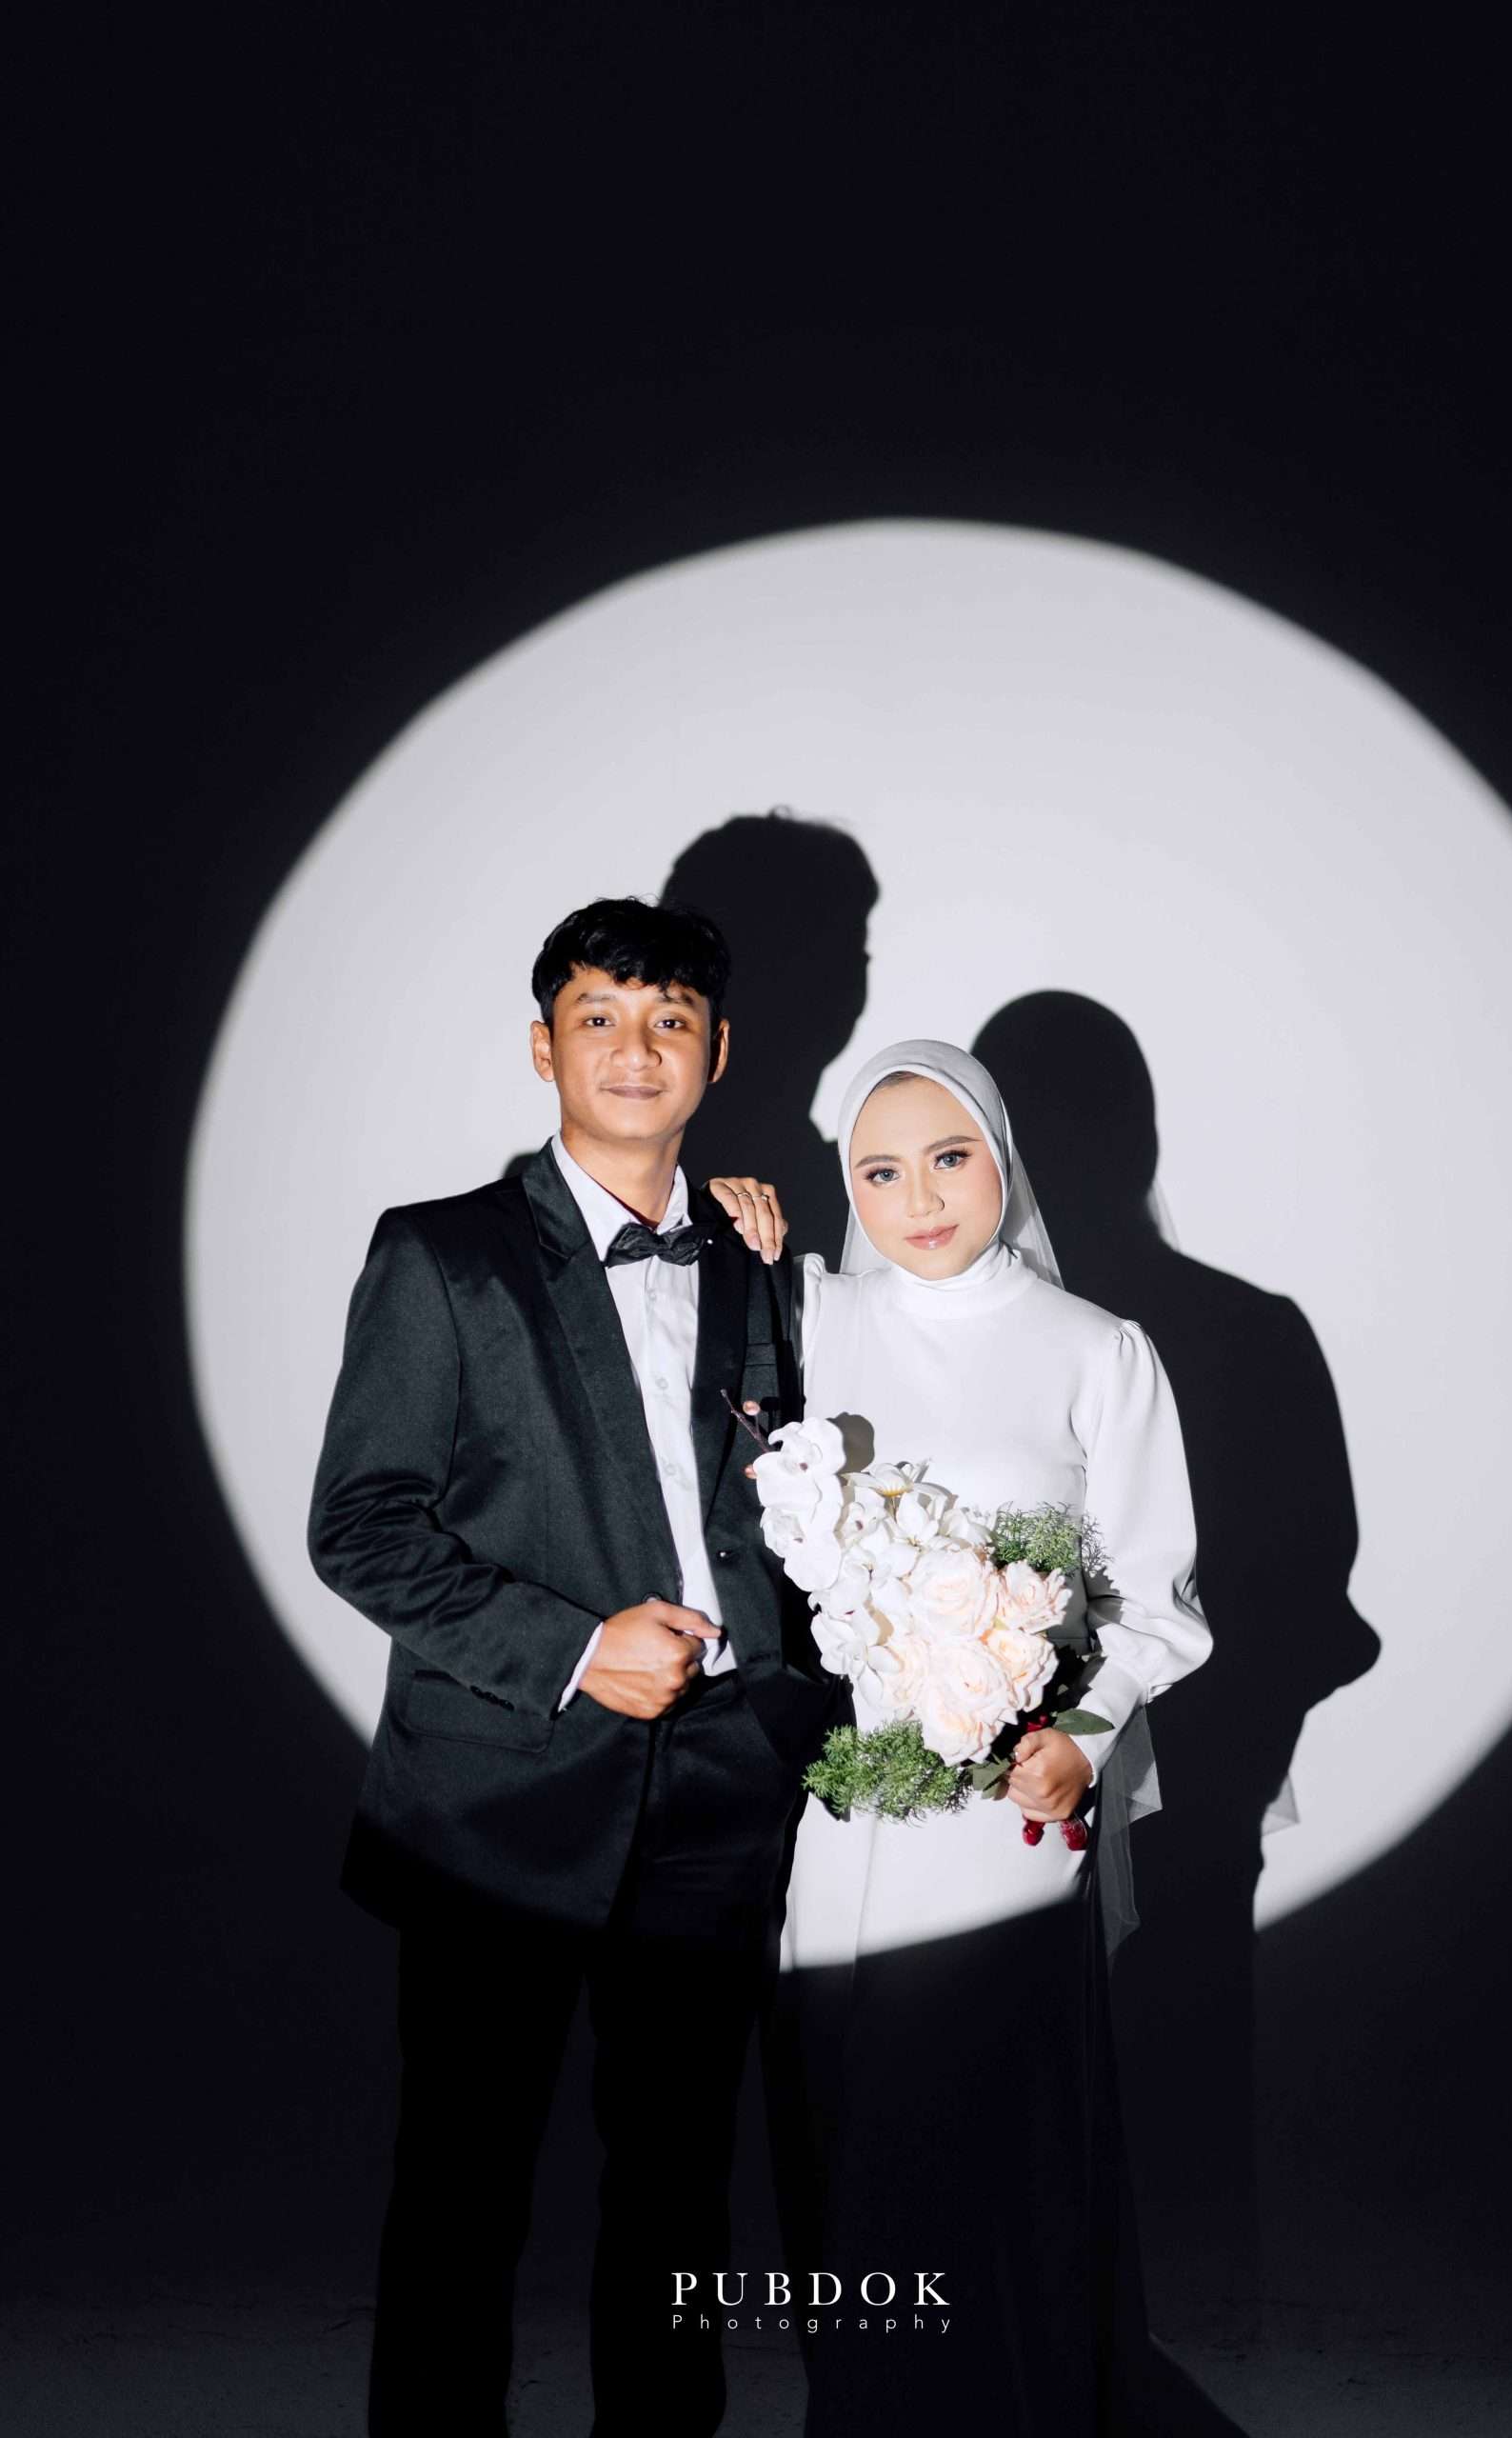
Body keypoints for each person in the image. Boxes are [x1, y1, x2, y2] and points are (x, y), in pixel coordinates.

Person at [307, 896, 835, 2438]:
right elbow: (361, 1525)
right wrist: (576, 1649)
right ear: (544, 1048)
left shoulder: (757, 1255)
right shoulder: (440, 1255)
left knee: (679, 2198)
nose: (635, 1048)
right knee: (461, 2194)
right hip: (496, 1806)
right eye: (598, 1016)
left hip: (721, 1797)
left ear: (717, 1053)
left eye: (671, 1020)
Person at [762, 1040, 1214, 2436]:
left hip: (1006, 1804)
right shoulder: (812, 1318)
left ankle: (1019, 2401)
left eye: (949, 1159)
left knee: (985, 2117)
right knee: (842, 2107)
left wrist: (1082, 1734)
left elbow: (1156, 1600)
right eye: (880, 1171)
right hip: (845, 1803)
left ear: (1002, 1160)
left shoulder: (1095, 1349)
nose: (920, 1199)